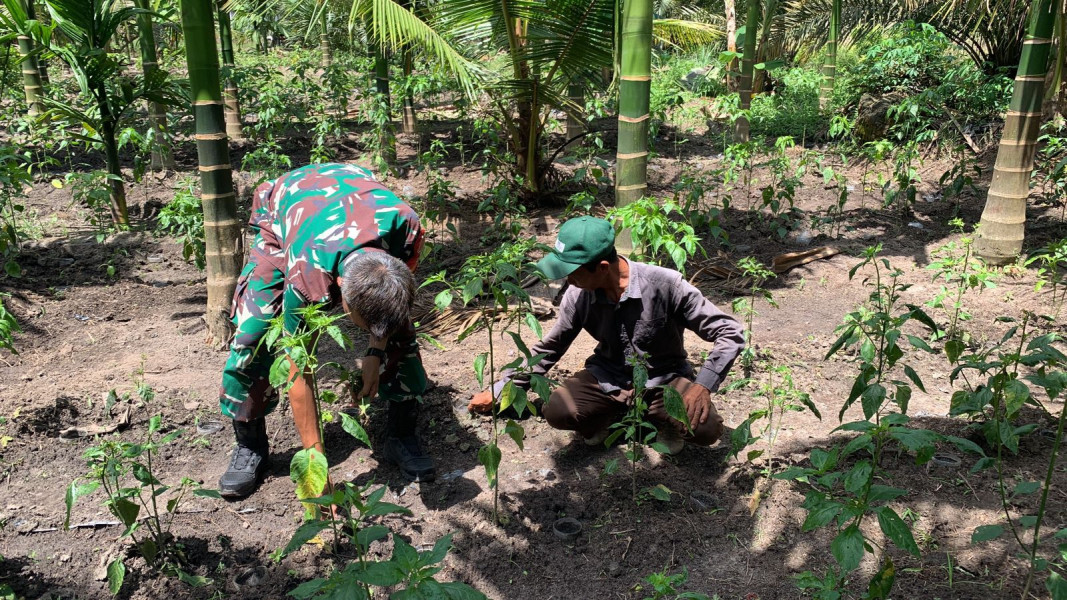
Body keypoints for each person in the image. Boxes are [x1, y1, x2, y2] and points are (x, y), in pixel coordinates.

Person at [218, 163, 435, 499]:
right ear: (338, 291)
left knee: (401, 331)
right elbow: (298, 368)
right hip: (288, 214)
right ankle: (251, 443)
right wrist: (315, 468)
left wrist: (376, 350)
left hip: (352, 192)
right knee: (253, 333)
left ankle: (401, 433)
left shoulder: (406, 227)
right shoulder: (308, 275)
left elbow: (389, 305)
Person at [468, 216, 745, 453]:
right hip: (608, 378)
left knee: (706, 429)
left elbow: (729, 331)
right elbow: (550, 348)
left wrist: (702, 385)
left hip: (664, 379)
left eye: (573, 273)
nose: (567, 281)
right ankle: (612, 417)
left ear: (601, 268)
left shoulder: (665, 284)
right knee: (557, 410)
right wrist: (502, 388)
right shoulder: (577, 295)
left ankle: (659, 419)